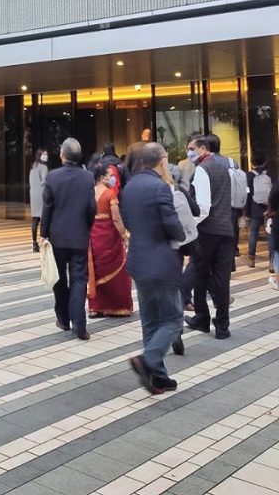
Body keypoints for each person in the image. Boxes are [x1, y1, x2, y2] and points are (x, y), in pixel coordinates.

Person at [122, 143, 185, 394]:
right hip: (160, 261)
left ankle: (157, 375)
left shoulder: (130, 186)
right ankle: (147, 360)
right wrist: (182, 234)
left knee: (150, 321)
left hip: (138, 260)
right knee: (173, 319)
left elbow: (128, 221)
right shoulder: (160, 187)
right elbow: (171, 223)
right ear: (162, 160)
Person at [41, 137, 96, 340]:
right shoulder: (87, 178)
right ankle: (79, 325)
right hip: (79, 236)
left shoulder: (52, 177)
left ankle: (63, 318)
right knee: (79, 278)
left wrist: (43, 234)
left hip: (57, 237)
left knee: (59, 278)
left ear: (62, 155)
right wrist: (87, 226)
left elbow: (47, 208)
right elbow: (92, 208)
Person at [185, 135, 233, 339]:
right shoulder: (225, 166)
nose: (189, 153)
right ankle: (222, 326)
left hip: (207, 231)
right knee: (222, 279)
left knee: (201, 274)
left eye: (191, 148)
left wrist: (191, 224)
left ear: (203, 148)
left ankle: (202, 318)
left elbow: (203, 206)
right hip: (226, 229)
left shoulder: (202, 169)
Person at [88, 162, 132, 318]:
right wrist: (125, 236)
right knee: (116, 268)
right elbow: (117, 219)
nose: (113, 178)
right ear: (102, 178)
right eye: (110, 175)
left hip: (94, 235)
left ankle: (95, 307)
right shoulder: (110, 194)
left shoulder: (90, 193)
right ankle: (117, 307)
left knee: (96, 269)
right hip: (109, 237)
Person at [245, 160, 274, 268]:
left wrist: (247, 211)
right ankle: (271, 262)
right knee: (270, 235)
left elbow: (248, 195)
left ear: (253, 163)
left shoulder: (249, 175)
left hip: (254, 209)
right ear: (265, 162)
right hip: (269, 209)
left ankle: (251, 259)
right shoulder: (270, 174)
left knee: (253, 233)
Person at [29, 149, 49, 252]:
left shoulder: (33, 167)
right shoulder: (43, 167)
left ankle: (34, 243)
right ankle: (44, 241)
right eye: (44, 154)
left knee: (35, 220)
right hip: (41, 195)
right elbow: (45, 182)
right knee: (44, 220)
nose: (46, 156)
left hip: (33, 196)